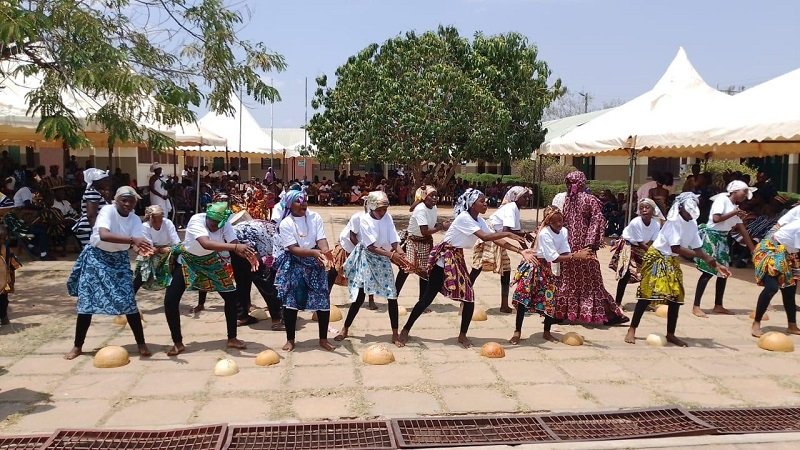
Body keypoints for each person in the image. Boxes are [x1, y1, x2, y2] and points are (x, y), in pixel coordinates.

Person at [399, 189, 533, 348]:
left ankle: (462, 335)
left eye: (485, 200)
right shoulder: (464, 218)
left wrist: (519, 250)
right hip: (444, 260)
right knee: (427, 298)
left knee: (469, 298)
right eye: (481, 201)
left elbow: (495, 240)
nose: (485, 203)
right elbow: (485, 237)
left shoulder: (479, 220)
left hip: (457, 258)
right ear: (471, 204)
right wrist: (508, 235)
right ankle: (405, 330)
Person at [625, 193, 730, 347]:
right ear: (680, 208)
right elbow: (677, 248)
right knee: (647, 294)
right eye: (688, 212)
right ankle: (632, 329)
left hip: (672, 260)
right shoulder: (673, 222)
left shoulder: (692, 223)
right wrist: (704, 258)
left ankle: (671, 334)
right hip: (657, 257)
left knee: (676, 296)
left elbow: (698, 248)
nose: (689, 215)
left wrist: (715, 265)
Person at [64, 187, 155, 359]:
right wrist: (132, 240)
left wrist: (141, 249)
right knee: (86, 303)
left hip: (119, 260)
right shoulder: (107, 211)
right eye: (124, 200)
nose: (127, 203)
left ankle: (141, 344)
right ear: (116, 200)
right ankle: (77, 346)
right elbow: (104, 235)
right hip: (96, 259)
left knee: (128, 301)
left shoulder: (135, 219)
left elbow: (134, 243)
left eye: (131, 200)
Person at [161, 202, 258, 356]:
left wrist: (248, 255)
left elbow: (234, 243)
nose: (214, 227)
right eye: (211, 223)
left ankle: (232, 338)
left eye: (217, 225)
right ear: (207, 216)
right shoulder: (196, 220)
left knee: (231, 297)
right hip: (188, 261)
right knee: (170, 301)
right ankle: (177, 342)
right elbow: (206, 243)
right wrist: (235, 248)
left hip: (210, 262)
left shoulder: (225, 224)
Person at [338, 191, 411, 346]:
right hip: (368, 257)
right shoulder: (364, 220)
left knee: (392, 295)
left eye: (385, 209)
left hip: (383, 257)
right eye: (380, 210)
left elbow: (393, 240)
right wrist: (392, 256)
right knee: (359, 297)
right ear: (371, 207)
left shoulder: (388, 218)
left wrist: (401, 254)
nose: (383, 213)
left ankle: (395, 334)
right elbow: (370, 246)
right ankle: (345, 328)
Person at [510, 207, 591, 344]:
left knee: (550, 299)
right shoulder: (544, 234)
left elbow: (565, 251)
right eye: (555, 222)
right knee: (523, 298)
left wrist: (578, 255)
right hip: (535, 266)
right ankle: (517, 331)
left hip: (548, 268)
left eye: (561, 220)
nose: (559, 224)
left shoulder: (564, 231)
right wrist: (576, 256)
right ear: (548, 222)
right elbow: (553, 257)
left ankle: (547, 332)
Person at [558, 171, 628, 325]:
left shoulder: (588, 200)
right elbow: (564, 222)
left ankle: (611, 314)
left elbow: (596, 221)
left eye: (572, 183)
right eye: (568, 183)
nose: (570, 186)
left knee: (590, 282)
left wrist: (589, 245)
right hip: (570, 249)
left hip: (581, 249)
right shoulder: (568, 200)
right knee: (571, 281)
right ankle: (562, 314)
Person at [274, 190, 336, 352]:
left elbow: (321, 239)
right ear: (289, 204)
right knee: (291, 303)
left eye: (305, 200)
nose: (303, 204)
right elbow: (293, 249)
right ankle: (290, 339)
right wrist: (316, 253)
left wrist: (325, 251)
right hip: (295, 263)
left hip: (315, 262)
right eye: (298, 201)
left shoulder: (314, 217)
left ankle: (323, 339)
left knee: (323, 300)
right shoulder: (286, 223)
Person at [693, 180, 755, 317]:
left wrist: (752, 249)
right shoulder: (722, 200)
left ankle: (718, 305)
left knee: (723, 273)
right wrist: (734, 213)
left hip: (722, 239)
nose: (745, 195)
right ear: (734, 191)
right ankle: (696, 306)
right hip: (712, 237)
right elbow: (716, 219)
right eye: (743, 192)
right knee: (708, 272)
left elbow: (743, 230)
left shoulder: (734, 207)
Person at [470, 186, 532, 313]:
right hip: (489, 236)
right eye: (524, 197)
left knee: (506, 269)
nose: (527, 200)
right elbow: (507, 231)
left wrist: (526, 247)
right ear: (516, 197)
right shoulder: (511, 208)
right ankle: (464, 299)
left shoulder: (515, 209)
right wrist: (525, 249)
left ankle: (504, 305)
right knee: (478, 268)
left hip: (496, 236)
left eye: (528, 197)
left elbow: (515, 232)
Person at [395, 186, 448, 305]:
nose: (435, 198)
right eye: (431, 195)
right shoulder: (420, 209)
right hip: (413, 241)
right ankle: (394, 297)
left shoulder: (433, 207)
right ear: (424, 197)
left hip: (425, 241)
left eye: (436, 195)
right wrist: (441, 227)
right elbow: (424, 230)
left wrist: (441, 225)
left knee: (425, 271)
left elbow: (431, 225)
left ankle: (421, 301)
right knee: (406, 268)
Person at [231, 216, 284, 330]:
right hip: (248, 245)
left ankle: (242, 316)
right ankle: (278, 318)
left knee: (242, 282)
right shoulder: (282, 236)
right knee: (265, 282)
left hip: (236, 243)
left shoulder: (275, 228)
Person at [751, 218, 800, 337]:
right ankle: (756, 323)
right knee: (771, 288)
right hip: (772, 250)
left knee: (789, 289)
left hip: (790, 254)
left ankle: (792, 325)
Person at [608, 199, 663, 305]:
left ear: (653, 210)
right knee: (626, 275)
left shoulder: (656, 224)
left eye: (647, 207)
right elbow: (641, 243)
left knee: (648, 274)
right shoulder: (635, 222)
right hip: (629, 246)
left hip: (644, 247)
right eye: (641, 208)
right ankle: (617, 303)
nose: (644, 210)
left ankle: (646, 302)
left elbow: (652, 241)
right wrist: (655, 255)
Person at [134, 205, 180, 292]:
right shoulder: (145, 226)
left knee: (178, 267)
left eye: (161, 218)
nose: (160, 221)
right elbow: (150, 248)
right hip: (151, 252)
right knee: (142, 274)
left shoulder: (167, 223)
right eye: (157, 219)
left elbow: (176, 241)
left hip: (168, 250)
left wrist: (171, 249)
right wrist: (160, 250)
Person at [73, 169, 112, 247]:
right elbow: (91, 216)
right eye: (104, 180)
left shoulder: (97, 192)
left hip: (91, 228)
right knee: (92, 254)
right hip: (88, 228)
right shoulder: (92, 192)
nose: (108, 182)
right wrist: (96, 232)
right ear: (96, 181)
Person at [0, 224, 21, 326]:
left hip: (4, 280)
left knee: (4, 301)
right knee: (3, 300)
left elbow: (13, 264)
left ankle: (4, 317)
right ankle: (3, 317)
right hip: (4, 280)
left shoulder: (7, 249)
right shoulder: (6, 249)